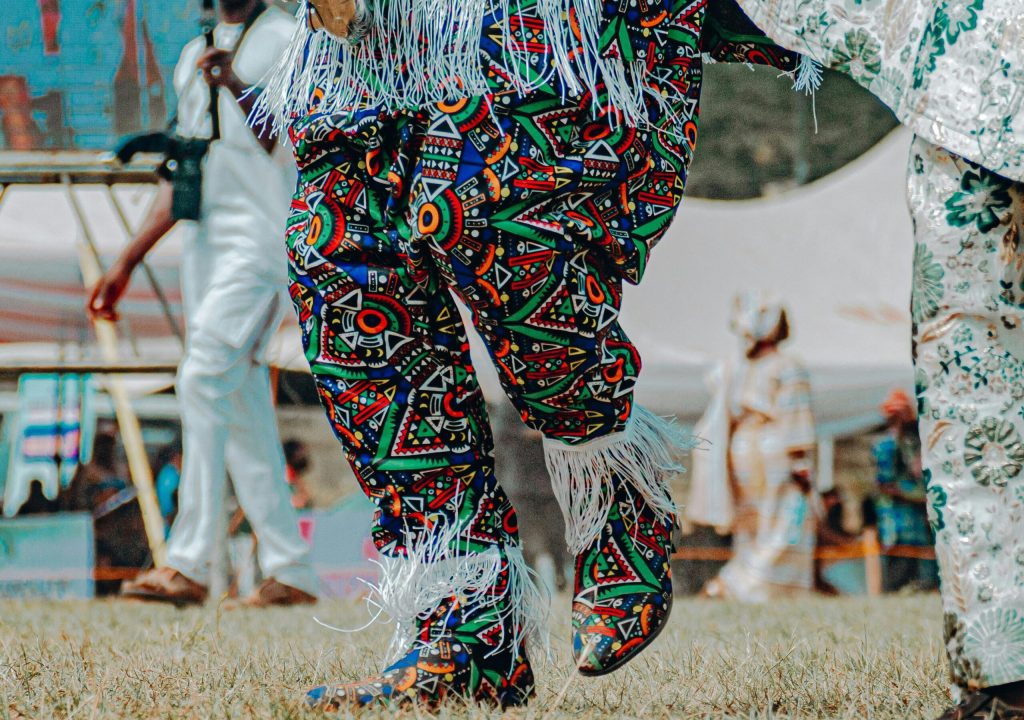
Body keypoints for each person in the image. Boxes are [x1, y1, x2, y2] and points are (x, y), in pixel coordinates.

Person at [253, 0, 816, 710]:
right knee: (343, 258)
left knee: (490, 211)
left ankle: (616, 491)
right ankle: (463, 629)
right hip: (370, 38)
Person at [727, 2, 1024, 717]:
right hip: (967, 94)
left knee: (973, 385)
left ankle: (1002, 673)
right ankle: (1001, 669)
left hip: (968, 92)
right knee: (972, 393)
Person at [88, 0, 317, 609]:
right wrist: (126, 262)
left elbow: (283, 138)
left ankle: (187, 561)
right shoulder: (194, 51)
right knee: (237, 402)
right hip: (204, 248)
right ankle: (291, 571)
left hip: (263, 243)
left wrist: (235, 83)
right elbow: (179, 169)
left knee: (201, 377)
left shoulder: (287, 35)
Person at [687, 292, 818, 601]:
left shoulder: (734, 369)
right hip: (775, 448)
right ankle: (750, 585)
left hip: (741, 449)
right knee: (784, 521)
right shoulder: (787, 365)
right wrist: (800, 462)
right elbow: (794, 414)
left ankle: (736, 583)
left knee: (751, 524)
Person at [872, 389, 937, 593]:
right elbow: (886, 486)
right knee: (897, 578)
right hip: (897, 526)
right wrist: (920, 497)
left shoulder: (914, 444)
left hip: (918, 525)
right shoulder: (885, 446)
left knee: (922, 580)